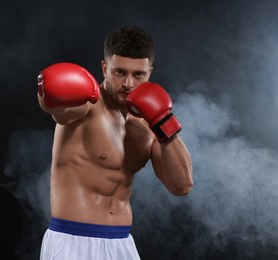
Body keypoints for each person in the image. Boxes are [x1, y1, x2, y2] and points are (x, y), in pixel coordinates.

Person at [37, 25, 193, 260]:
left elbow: (181, 186)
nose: (129, 84)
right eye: (119, 72)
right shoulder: (87, 104)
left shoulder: (149, 124)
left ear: (150, 71)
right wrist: (46, 93)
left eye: (138, 75)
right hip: (74, 241)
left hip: (121, 243)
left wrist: (164, 123)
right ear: (104, 68)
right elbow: (57, 107)